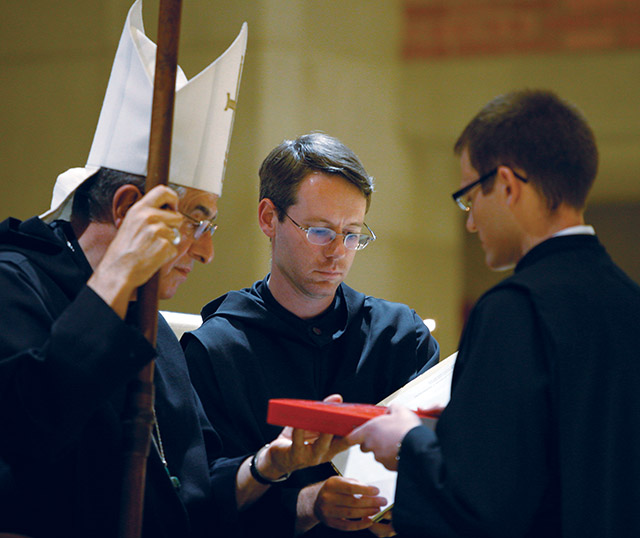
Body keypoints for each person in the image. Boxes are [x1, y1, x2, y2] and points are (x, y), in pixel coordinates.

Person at [0, 4, 345, 537]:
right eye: (198, 222)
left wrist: (267, 467)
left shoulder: (152, 325)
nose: (207, 253)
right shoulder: (16, 282)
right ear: (128, 207)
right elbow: (25, 428)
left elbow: (192, 501)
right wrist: (115, 278)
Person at [347, 89, 640, 538]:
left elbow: (481, 505)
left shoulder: (515, 308)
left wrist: (409, 442)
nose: (470, 221)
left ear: (506, 185)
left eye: (468, 197)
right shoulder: (627, 301)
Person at [182, 132, 440, 538]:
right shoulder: (216, 350)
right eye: (320, 231)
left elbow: (441, 466)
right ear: (269, 218)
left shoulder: (399, 337)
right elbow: (198, 500)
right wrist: (305, 504)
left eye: (352, 233)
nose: (338, 251)